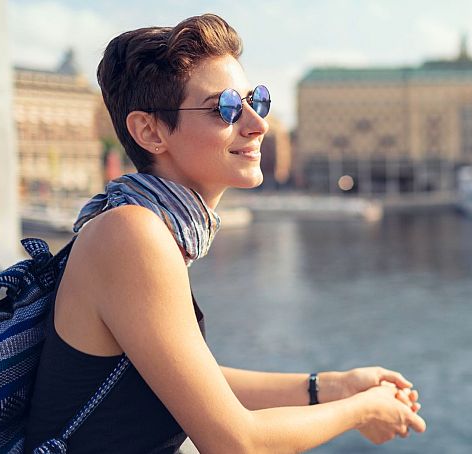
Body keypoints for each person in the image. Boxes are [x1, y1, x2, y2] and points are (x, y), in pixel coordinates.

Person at [24, 13, 425, 453]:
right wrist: (363, 409)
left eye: (258, 101)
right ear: (150, 131)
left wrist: (333, 386)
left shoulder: (145, 226)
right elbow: (237, 443)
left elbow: (189, 378)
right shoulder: (131, 234)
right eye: (227, 108)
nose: (258, 124)